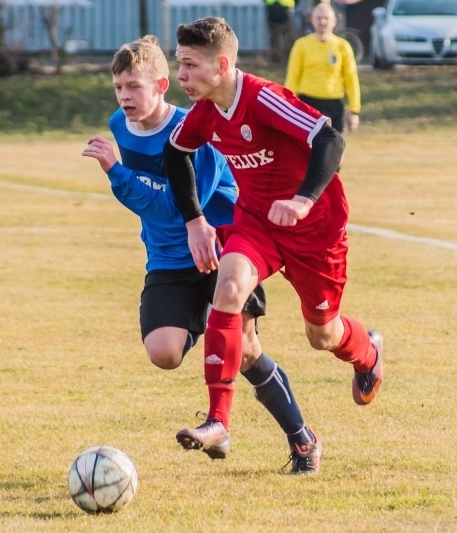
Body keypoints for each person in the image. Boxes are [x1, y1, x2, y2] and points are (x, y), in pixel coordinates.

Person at [82, 35, 321, 475]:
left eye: (134, 86)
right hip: (168, 259)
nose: (125, 97)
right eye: (118, 88)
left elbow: (178, 206)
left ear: (161, 85)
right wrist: (120, 174)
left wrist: (116, 173)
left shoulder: (196, 130)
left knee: (245, 351)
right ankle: (213, 345)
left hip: (226, 249)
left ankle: (302, 440)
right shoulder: (120, 126)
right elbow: (155, 205)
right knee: (164, 352)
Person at [163, 17, 383, 472]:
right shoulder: (206, 111)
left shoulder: (264, 99)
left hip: (314, 231)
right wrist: (195, 221)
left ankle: (368, 351)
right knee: (228, 289)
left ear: (221, 65)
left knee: (323, 335)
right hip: (257, 224)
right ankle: (218, 420)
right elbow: (176, 153)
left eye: (189, 66)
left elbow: (329, 138)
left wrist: (302, 200)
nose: (181, 76)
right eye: (178, 64)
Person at [285, 2, 361, 134]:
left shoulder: (343, 46)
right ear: (312, 20)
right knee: (307, 149)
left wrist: (354, 110)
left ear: (334, 21)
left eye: (326, 18)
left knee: (334, 149)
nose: (323, 21)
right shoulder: (301, 45)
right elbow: (292, 77)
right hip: (307, 104)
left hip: (334, 104)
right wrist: (287, 107)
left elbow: (351, 78)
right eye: (319, 18)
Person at [264, 0, 297, 64]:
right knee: (273, 39)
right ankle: (274, 60)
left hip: (285, 11)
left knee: (285, 39)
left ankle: (285, 59)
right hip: (273, 11)